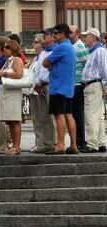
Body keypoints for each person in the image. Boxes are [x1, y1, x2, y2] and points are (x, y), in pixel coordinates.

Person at [43, 23, 78, 154]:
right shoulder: (69, 46)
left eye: (56, 33)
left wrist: (51, 66)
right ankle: (73, 145)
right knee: (69, 115)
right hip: (68, 87)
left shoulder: (61, 47)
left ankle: (60, 145)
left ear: (63, 34)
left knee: (59, 115)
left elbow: (45, 62)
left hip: (58, 87)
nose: (54, 36)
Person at [81, 27, 107, 153]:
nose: (84, 38)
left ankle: (92, 144)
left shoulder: (99, 51)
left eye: (86, 36)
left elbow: (104, 69)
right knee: (98, 116)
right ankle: (101, 142)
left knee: (91, 115)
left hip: (94, 85)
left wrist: (106, 86)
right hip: (95, 85)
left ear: (93, 37)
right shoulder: (94, 51)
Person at [29, 33, 56, 153]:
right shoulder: (37, 57)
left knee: (48, 117)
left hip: (46, 85)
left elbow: (48, 72)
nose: (34, 44)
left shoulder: (50, 53)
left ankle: (51, 142)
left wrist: (42, 84)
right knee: (39, 117)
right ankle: (42, 142)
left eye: (36, 42)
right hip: (37, 87)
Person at [0, 40, 24, 155]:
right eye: (3, 47)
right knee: (9, 120)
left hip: (13, 93)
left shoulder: (16, 60)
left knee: (14, 120)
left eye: (7, 47)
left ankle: (17, 146)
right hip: (6, 92)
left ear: (13, 48)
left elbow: (19, 74)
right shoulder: (7, 61)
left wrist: (4, 74)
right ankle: (13, 145)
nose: (4, 49)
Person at [69, 25, 89, 151]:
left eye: (70, 32)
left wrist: (84, 80)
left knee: (78, 115)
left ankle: (81, 142)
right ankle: (75, 142)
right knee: (73, 115)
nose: (68, 34)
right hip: (72, 85)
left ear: (77, 34)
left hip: (77, 85)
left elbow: (89, 64)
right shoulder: (71, 47)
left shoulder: (80, 47)